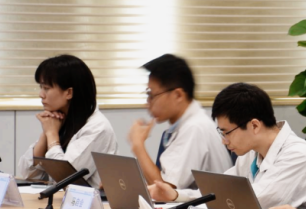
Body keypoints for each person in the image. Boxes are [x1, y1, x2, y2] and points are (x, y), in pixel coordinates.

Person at [149, 83, 306, 209]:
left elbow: (250, 203)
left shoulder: (298, 155)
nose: (224, 141)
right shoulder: (251, 153)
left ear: (254, 125)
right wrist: (176, 195)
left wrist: (183, 202)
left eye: (227, 132)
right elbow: (220, 191)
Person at [128, 54, 230, 192]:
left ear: (178, 95)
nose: (147, 103)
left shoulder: (195, 128)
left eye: (152, 95)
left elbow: (165, 190)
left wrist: (138, 146)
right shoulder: (183, 126)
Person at [17, 55, 118, 189]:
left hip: (88, 201)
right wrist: (46, 133)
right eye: (41, 87)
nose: (41, 94)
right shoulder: (60, 120)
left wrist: (51, 134)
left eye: (46, 88)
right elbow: (27, 173)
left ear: (69, 93)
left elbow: (65, 179)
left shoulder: (97, 128)